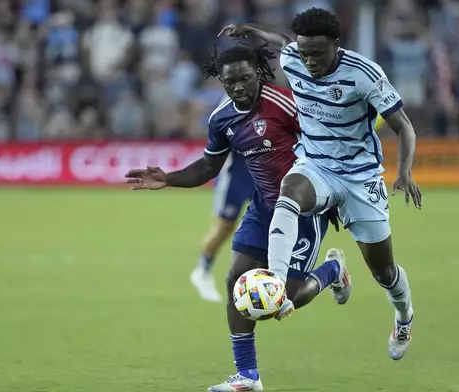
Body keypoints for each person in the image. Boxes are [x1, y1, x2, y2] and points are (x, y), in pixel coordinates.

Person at [124, 43, 351, 392]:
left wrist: (334, 195)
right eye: (231, 82)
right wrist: (168, 178)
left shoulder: (284, 104)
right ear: (222, 81)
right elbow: (208, 166)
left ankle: (334, 270)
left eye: (245, 78)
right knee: (235, 278)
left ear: (257, 74)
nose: (239, 87)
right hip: (262, 209)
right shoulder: (222, 118)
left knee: (286, 298)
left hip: (303, 209)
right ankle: (247, 376)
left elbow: (327, 144)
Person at [219, 7, 422, 361]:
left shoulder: (364, 74)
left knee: (383, 270)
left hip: (360, 177)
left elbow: (403, 126)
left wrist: (404, 172)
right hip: (316, 166)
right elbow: (281, 40)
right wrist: (248, 28)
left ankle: (404, 315)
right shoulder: (293, 55)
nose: (309, 61)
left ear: (336, 45)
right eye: (304, 52)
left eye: (317, 53)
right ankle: (276, 284)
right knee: (289, 193)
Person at [190, 151, 254, 303]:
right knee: (224, 229)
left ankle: (265, 281)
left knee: (270, 223)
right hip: (235, 176)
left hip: (263, 173)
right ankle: (202, 271)